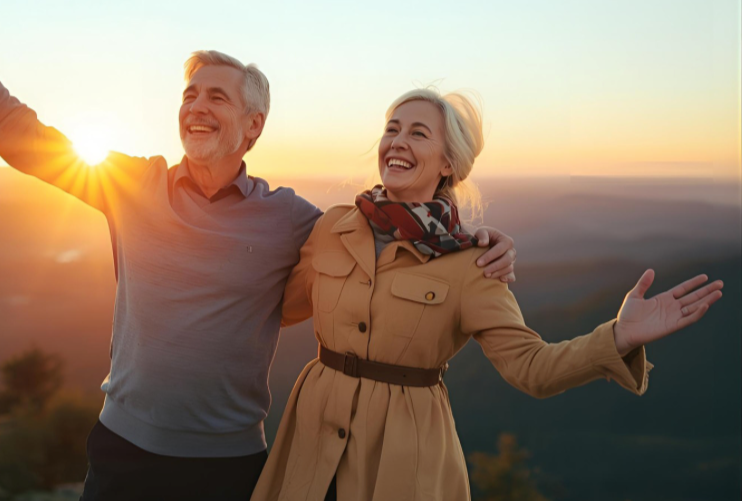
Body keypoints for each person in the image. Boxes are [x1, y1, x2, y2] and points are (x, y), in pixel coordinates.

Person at [0, 2, 521, 499]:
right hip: (122, 452)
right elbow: (13, 129)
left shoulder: (291, 219)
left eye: (217, 97)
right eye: (190, 95)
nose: (197, 107)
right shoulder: (131, 184)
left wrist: (477, 242)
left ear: (253, 125)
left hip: (228, 467)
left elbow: (388, 248)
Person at [250, 89, 724, 501]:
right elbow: (275, 308)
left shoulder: (473, 264)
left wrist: (619, 336)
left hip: (403, 457)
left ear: (448, 162)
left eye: (418, 133)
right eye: (392, 129)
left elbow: (532, 369)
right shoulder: (332, 226)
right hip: (309, 442)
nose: (397, 141)